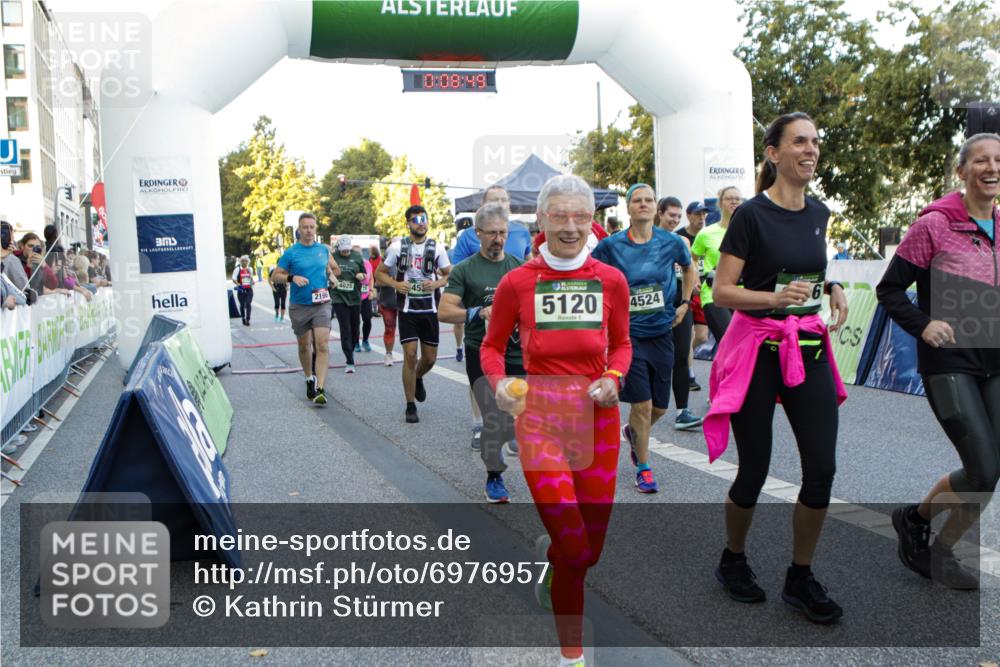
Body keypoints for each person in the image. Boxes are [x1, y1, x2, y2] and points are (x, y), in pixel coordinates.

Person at [481, 174, 631, 667]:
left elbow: (623, 344)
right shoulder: (517, 282)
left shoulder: (610, 280)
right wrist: (501, 382)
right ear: (541, 219)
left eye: (581, 216)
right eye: (560, 216)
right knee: (572, 544)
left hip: (598, 421)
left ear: (593, 220)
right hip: (540, 420)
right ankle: (573, 657)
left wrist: (613, 376)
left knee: (589, 553)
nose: (571, 226)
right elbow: (491, 346)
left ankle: (555, 566)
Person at [705, 112, 849, 624]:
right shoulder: (750, 216)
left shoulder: (820, 212)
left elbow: (813, 269)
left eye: (815, 141)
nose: (810, 150)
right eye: (799, 142)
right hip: (756, 347)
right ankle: (733, 560)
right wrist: (773, 297)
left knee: (822, 468)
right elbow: (721, 291)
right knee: (755, 469)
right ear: (772, 153)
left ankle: (800, 577)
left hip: (805, 344)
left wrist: (829, 287)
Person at [877, 132, 1000, 591]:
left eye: (998, 161)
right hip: (950, 362)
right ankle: (919, 522)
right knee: (983, 467)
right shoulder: (934, 225)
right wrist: (924, 324)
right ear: (962, 172)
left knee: (992, 469)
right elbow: (889, 290)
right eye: (981, 161)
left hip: (996, 361)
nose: (991, 168)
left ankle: (931, 538)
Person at [592, 184, 696, 493]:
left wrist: (686, 302)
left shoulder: (672, 242)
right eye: (637, 200)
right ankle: (644, 467)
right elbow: (590, 273)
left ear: (655, 207)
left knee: (660, 408)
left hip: (662, 332)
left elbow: (689, 269)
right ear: (628, 208)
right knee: (642, 404)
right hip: (628, 337)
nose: (643, 204)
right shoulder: (610, 246)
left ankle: (633, 433)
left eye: (648, 200)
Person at [439, 202, 525, 502]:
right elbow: (445, 311)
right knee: (493, 416)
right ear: (478, 234)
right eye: (491, 233)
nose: (498, 239)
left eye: (503, 232)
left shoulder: (519, 266)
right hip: (481, 351)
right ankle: (494, 478)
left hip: (517, 353)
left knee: (514, 413)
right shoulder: (465, 270)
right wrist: (479, 312)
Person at [376, 206, 452, 423]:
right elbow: (380, 273)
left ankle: (418, 376)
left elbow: (449, 274)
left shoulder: (437, 247)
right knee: (410, 354)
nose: (421, 223)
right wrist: (396, 284)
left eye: (424, 219)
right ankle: (410, 405)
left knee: (429, 359)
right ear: (408, 223)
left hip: (430, 309)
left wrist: (436, 283)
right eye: (416, 220)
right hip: (408, 310)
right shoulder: (397, 247)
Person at [271, 212, 342, 405]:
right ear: (299, 230)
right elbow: (276, 275)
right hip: (300, 305)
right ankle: (309, 378)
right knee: (304, 345)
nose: (309, 230)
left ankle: (320, 388)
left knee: (322, 345)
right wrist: (291, 278)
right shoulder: (291, 253)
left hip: (322, 304)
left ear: (316, 229)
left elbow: (335, 270)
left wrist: (332, 276)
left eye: (312, 227)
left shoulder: (323, 250)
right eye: (305, 227)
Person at [655, 196, 705, 430]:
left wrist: (689, 297)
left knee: (682, 356)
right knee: (657, 359)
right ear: (660, 213)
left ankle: (682, 411)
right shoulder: (649, 239)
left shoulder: (683, 241)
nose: (674, 220)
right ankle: (647, 409)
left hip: (680, 304)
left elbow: (690, 270)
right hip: (655, 305)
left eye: (677, 216)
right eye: (670, 215)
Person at [692, 189, 740, 351]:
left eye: (737, 199)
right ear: (720, 204)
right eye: (729, 199)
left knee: (743, 345)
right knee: (729, 343)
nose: (734, 202)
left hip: (742, 294)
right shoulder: (706, 234)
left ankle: (727, 375)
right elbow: (692, 258)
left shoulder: (748, 231)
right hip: (713, 295)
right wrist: (695, 278)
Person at [330, 236, 366, 373]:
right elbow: (328, 271)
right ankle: (349, 361)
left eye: (348, 251)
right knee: (345, 328)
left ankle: (351, 348)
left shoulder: (357, 256)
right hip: (338, 297)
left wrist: (361, 276)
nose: (346, 253)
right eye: (343, 251)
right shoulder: (333, 257)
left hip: (355, 297)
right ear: (339, 248)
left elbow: (364, 273)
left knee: (355, 328)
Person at [355, 245, 374, 353]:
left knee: (367, 318)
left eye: (359, 254)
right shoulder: (351, 264)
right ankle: (356, 342)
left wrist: (371, 290)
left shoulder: (367, 263)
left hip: (366, 295)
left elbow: (371, 277)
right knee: (355, 321)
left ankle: (365, 340)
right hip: (353, 297)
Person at [232, 255, 254, 326]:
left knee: (248, 304)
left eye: (246, 261)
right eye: (243, 261)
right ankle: (243, 318)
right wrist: (238, 284)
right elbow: (234, 279)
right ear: (240, 262)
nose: (244, 262)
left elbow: (251, 278)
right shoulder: (237, 269)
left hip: (249, 289)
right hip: (241, 290)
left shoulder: (250, 269)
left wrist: (252, 282)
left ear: (248, 262)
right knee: (242, 305)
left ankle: (248, 319)